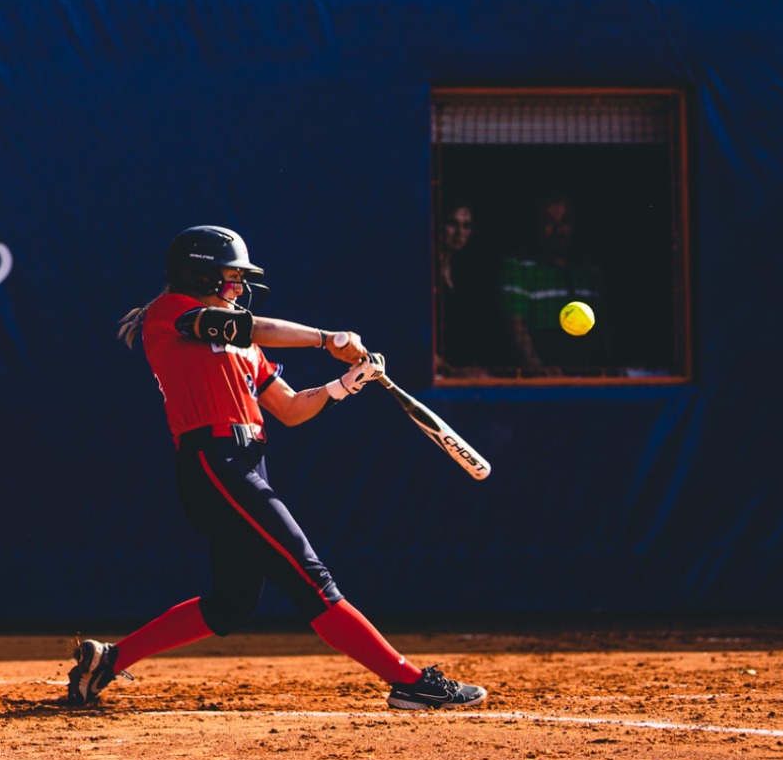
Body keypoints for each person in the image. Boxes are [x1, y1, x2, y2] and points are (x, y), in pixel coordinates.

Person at [66, 226, 487, 711]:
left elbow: (289, 408)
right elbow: (254, 326)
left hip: (247, 464)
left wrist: (346, 384)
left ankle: (110, 660)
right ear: (198, 272)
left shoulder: (243, 344)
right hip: (214, 464)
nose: (239, 287)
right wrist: (327, 339)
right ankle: (410, 681)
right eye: (230, 276)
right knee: (313, 579)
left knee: (231, 604)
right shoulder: (172, 313)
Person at [498, 195, 605, 373]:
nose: (558, 229)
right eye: (549, 221)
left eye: (565, 221)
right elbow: (515, 325)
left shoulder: (590, 271)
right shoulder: (518, 266)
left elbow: (604, 330)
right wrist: (539, 371)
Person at [435, 202, 499, 375]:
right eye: (452, 224)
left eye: (466, 226)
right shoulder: (424, 271)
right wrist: (451, 370)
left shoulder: (466, 271)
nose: (459, 233)